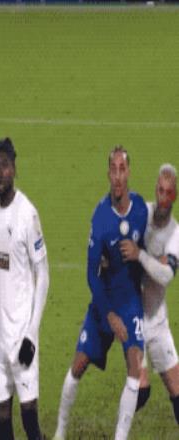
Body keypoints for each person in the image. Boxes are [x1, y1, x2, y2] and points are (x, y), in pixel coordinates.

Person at [53, 146, 148, 440]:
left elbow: (152, 248)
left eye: (122, 169)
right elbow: (90, 274)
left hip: (130, 303)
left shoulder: (141, 209)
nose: (118, 176)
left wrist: (141, 254)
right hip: (103, 302)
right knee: (78, 366)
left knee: (134, 366)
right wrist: (108, 315)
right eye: (113, 169)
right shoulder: (100, 217)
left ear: (128, 172)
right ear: (108, 174)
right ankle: (59, 433)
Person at [0, 138, 49, 440]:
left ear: (14, 169)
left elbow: (44, 275)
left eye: (5, 165)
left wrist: (32, 334)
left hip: (22, 337)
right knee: (1, 419)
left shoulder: (27, 214)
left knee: (29, 419)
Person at [119, 163, 179, 423]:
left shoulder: (176, 234)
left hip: (157, 321)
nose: (163, 198)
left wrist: (140, 255)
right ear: (156, 189)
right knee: (140, 390)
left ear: (174, 196)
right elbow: (119, 234)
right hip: (133, 320)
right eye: (160, 190)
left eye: (168, 193)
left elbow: (165, 275)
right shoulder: (141, 213)